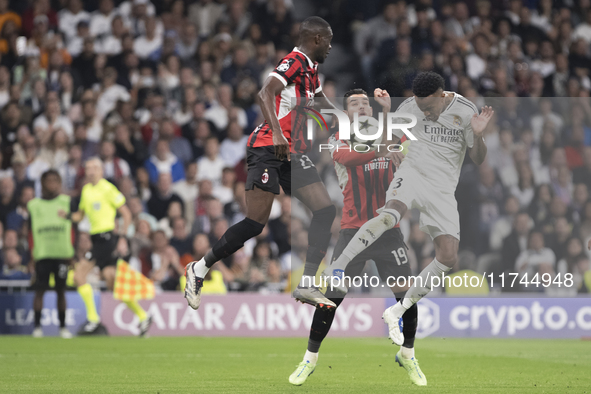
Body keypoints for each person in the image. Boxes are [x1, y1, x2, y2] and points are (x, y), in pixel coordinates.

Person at [324, 72, 494, 346]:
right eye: (420, 106)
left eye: (429, 107)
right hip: (411, 174)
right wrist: (390, 125)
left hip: (442, 189)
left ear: (441, 96)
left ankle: (398, 312)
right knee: (391, 212)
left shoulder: (465, 111)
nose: (424, 112)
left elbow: (477, 158)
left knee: (449, 258)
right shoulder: (406, 109)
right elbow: (387, 141)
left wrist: (478, 135)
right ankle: (338, 267)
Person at [185, 16, 339, 310]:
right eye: (329, 42)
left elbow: (324, 108)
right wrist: (279, 133)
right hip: (268, 146)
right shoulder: (293, 61)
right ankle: (199, 269)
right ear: (317, 39)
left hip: (291, 153)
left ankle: (307, 283)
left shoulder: (312, 71)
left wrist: (355, 123)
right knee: (256, 223)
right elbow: (264, 92)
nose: (331, 48)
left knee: (325, 210)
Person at [289, 89, 425, 386]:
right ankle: (309, 360)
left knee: (407, 296)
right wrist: (385, 145)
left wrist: (390, 119)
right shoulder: (338, 140)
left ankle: (408, 354)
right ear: (346, 113)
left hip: (388, 231)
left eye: (366, 102)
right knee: (331, 299)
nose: (362, 106)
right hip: (353, 232)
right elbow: (350, 156)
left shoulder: (390, 132)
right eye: (354, 103)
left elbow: (406, 154)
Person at [66, 157, 152, 336]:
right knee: (113, 282)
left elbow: (126, 213)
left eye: (94, 168)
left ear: (101, 170)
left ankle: (93, 319)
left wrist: (122, 237)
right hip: (96, 240)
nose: (91, 171)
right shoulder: (86, 190)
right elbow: (80, 216)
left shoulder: (108, 188)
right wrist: (66, 216)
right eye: (88, 168)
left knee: (79, 276)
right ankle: (143, 316)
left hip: (107, 239)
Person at [28, 170, 74, 339]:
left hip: (62, 254)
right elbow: (30, 232)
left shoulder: (67, 202)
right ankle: (37, 327)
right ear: (43, 183)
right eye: (49, 180)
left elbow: (73, 227)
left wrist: (72, 252)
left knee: (61, 290)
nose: (52, 184)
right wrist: (31, 254)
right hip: (42, 254)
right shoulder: (34, 205)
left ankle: (63, 327)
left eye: (56, 180)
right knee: (40, 290)